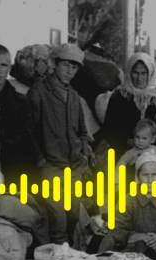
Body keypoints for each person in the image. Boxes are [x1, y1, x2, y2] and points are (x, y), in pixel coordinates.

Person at [26, 44, 91, 247]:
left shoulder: (74, 96)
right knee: (58, 220)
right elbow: (28, 132)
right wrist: (41, 161)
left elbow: (81, 130)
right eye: (66, 65)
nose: (70, 72)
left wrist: (84, 153)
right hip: (51, 167)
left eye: (75, 67)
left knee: (73, 215)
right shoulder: (38, 92)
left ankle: (69, 255)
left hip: (74, 167)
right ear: (54, 64)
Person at [99, 52, 156, 161]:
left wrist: (152, 144)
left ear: (151, 73)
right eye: (135, 73)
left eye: (144, 73)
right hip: (123, 154)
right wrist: (127, 141)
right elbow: (109, 129)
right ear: (129, 72)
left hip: (154, 157)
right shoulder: (120, 95)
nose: (139, 78)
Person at [0, 44, 37, 187]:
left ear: (9, 67)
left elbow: (27, 137)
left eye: (4, 65)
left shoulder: (21, 102)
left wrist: (1, 146)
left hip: (14, 168)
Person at [116, 119, 156, 186]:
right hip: (134, 183)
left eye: (144, 138)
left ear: (152, 139)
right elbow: (119, 168)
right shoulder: (130, 153)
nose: (140, 141)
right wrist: (117, 182)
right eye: (137, 137)